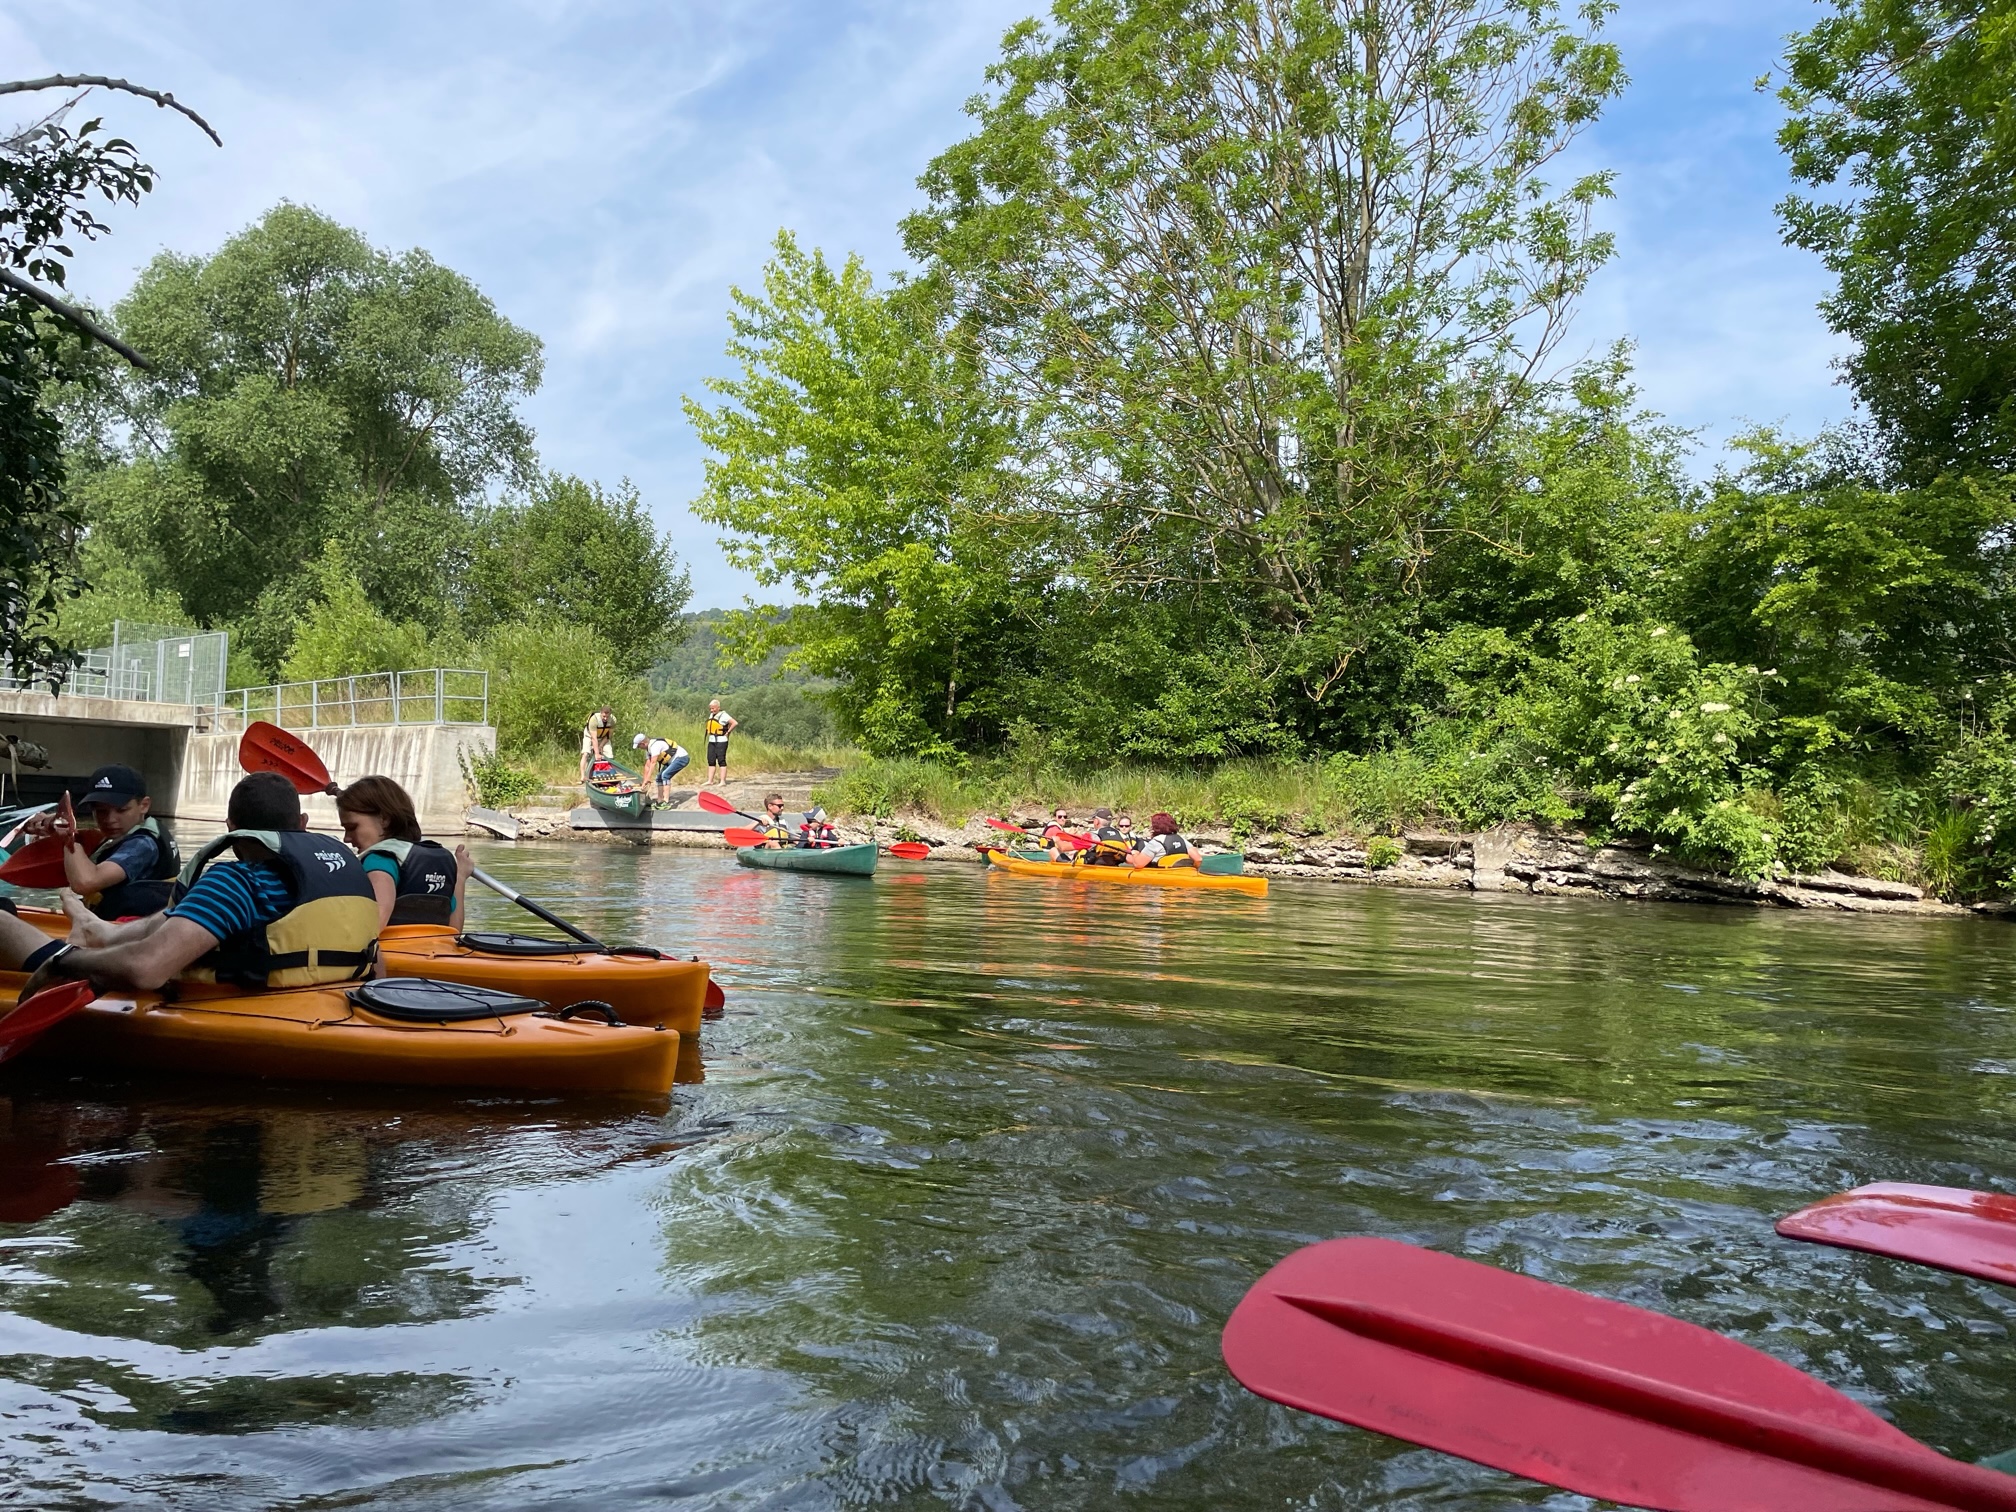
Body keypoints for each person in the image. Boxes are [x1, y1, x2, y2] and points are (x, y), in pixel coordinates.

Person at [17, 771, 380, 999]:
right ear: (301, 824)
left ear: (230, 825)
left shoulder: (238, 881)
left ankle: (92, 939)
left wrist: (67, 963)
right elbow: (378, 963)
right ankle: (102, 932)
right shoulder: (347, 868)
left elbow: (147, 969)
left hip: (254, 1005)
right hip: (334, 995)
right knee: (187, 912)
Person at [27, 764, 181, 918]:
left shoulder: (143, 844)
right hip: (118, 925)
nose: (110, 819)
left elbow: (85, 883)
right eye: (101, 811)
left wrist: (68, 837)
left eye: (121, 810)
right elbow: (86, 847)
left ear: (144, 805)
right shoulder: (127, 833)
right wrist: (56, 827)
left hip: (132, 932)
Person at [335, 775, 474, 928]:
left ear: (384, 819)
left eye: (352, 827)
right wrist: (460, 877)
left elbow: (376, 921)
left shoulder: (379, 860)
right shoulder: (443, 861)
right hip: (435, 950)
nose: (347, 838)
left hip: (390, 950)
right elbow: (453, 931)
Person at [1129, 811, 1203, 869]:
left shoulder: (1156, 842)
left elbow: (1138, 864)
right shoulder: (1181, 839)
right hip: (1183, 872)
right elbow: (1198, 859)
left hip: (1161, 875)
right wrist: (1193, 869)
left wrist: (1135, 853)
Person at [632, 732, 690, 805]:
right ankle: (660, 800)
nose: (639, 748)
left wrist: (648, 778)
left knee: (665, 775)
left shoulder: (655, 746)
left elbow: (653, 763)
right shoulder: (648, 750)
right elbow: (647, 765)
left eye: (639, 746)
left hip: (682, 758)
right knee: (658, 778)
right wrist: (644, 781)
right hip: (671, 761)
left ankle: (666, 801)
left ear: (643, 743)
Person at [703, 700, 737, 787]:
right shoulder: (712, 715)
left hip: (721, 741)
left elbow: (734, 723)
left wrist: (728, 732)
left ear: (718, 707)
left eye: (713, 708)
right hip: (712, 740)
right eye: (710, 708)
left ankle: (722, 781)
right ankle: (710, 780)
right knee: (711, 760)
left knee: (721, 760)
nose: (712, 710)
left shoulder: (724, 715)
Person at [578, 706, 616, 783]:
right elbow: (593, 738)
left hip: (603, 737)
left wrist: (601, 746)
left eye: (607, 716)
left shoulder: (613, 720)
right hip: (590, 736)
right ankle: (582, 776)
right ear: (600, 713)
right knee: (585, 753)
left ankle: (607, 775)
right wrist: (597, 753)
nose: (605, 718)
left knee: (609, 755)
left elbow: (609, 736)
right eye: (604, 716)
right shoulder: (594, 719)